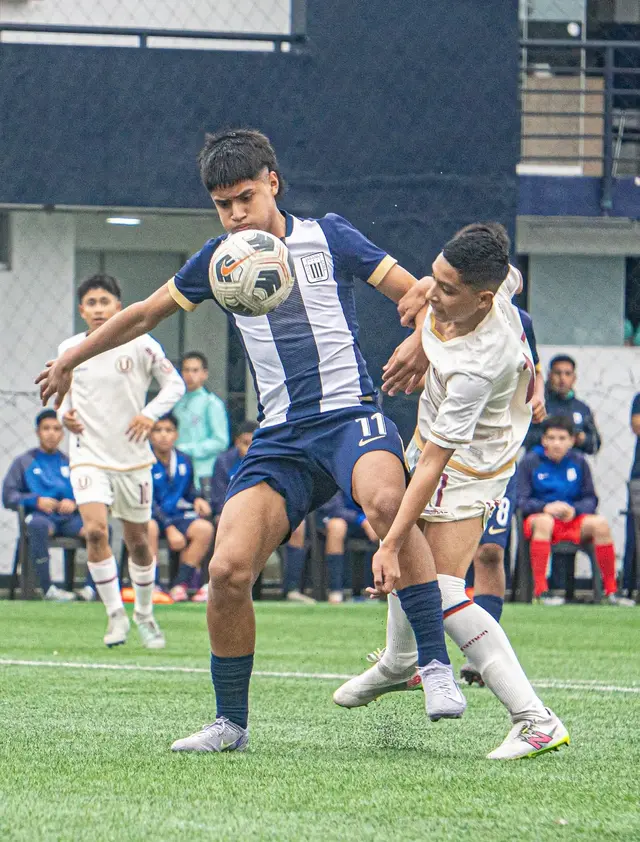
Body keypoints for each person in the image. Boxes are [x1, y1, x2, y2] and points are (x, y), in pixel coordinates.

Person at [37, 128, 462, 754]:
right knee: (228, 570)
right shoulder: (218, 260)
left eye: (244, 198)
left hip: (348, 417)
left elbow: (420, 296)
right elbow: (144, 314)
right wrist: (75, 357)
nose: (235, 215)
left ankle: (434, 667)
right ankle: (230, 723)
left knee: (385, 506)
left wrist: (421, 340)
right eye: (222, 204)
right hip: (279, 438)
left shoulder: (330, 235)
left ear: (273, 184)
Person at [334, 223, 569, 761]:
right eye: (433, 276)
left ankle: (535, 718)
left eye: (445, 288)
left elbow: (439, 462)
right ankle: (399, 661)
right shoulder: (497, 280)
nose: (431, 292)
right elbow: (477, 265)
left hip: (470, 466)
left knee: (435, 587)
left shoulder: (478, 368)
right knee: (418, 571)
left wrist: (389, 543)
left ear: (481, 298)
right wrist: (421, 324)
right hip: (435, 441)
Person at [55, 274, 185, 648]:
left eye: (104, 302)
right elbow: (62, 393)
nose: (98, 309)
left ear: (119, 306)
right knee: (95, 531)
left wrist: (151, 413)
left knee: (139, 542)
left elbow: (174, 384)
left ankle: (144, 614)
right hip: (87, 455)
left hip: (132, 460)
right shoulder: (71, 348)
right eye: (91, 303)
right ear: (82, 311)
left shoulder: (142, 344)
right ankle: (115, 616)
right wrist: (65, 414)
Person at [460, 306, 546, 687]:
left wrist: (537, 394)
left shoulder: (519, 320)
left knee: (490, 551)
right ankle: (411, 654)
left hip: (499, 454)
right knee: (433, 557)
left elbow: (535, 368)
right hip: (451, 449)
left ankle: (483, 655)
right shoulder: (443, 310)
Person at [517, 415, 632, 607]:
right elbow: (520, 500)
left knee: (601, 524)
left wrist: (574, 509)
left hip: (571, 520)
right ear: (543, 439)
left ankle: (611, 591)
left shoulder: (579, 462)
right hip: (540, 522)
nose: (556, 444)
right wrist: (545, 507)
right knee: (544, 522)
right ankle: (541, 592)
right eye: (551, 438)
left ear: (571, 440)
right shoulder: (530, 461)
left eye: (562, 439)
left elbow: (591, 498)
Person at [2, 409, 91, 602]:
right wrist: (35, 500)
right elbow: (8, 496)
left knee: (98, 529)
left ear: (62, 433)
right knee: (37, 526)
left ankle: (90, 589)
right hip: (42, 518)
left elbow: (86, 491)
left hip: (69, 520)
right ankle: (47, 588)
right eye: (46, 428)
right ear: (38, 432)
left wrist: (74, 502)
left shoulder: (70, 462)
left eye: (56, 429)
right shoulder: (24, 462)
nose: (51, 433)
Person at [149, 413, 214, 604]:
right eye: (158, 430)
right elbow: (145, 501)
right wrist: (169, 528)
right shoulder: (143, 460)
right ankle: (153, 585)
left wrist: (197, 500)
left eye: (168, 430)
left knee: (205, 529)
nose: (163, 435)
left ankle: (180, 585)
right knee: (149, 527)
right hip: (152, 516)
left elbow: (189, 492)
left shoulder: (184, 459)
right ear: (150, 435)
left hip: (176, 515)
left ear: (176, 435)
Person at [174, 352, 230, 493]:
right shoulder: (176, 402)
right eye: (186, 370)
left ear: (204, 374)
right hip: (179, 472)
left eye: (195, 370)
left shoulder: (211, 403)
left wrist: (185, 449)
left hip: (204, 474)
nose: (190, 375)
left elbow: (220, 441)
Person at [524, 354, 601, 454]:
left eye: (567, 374)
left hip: (572, 465)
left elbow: (595, 445)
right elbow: (523, 437)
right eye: (558, 373)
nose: (562, 378)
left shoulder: (582, 408)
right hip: (539, 465)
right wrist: (550, 437)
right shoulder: (538, 404)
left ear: (574, 378)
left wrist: (582, 439)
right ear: (549, 375)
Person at [317, 491, 379, 604]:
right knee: (337, 526)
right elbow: (335, 509)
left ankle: (385, 592)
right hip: (343, 519)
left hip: (370, 520)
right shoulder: (341, 474)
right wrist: (362, 520)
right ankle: (336, 590)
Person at [209, 420, 258, 520]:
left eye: (255, 443)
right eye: (246, 443)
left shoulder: (267, 461)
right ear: (237, 442)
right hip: (230, 512)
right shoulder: (223, 462)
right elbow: (218, 498)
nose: (250, 449)